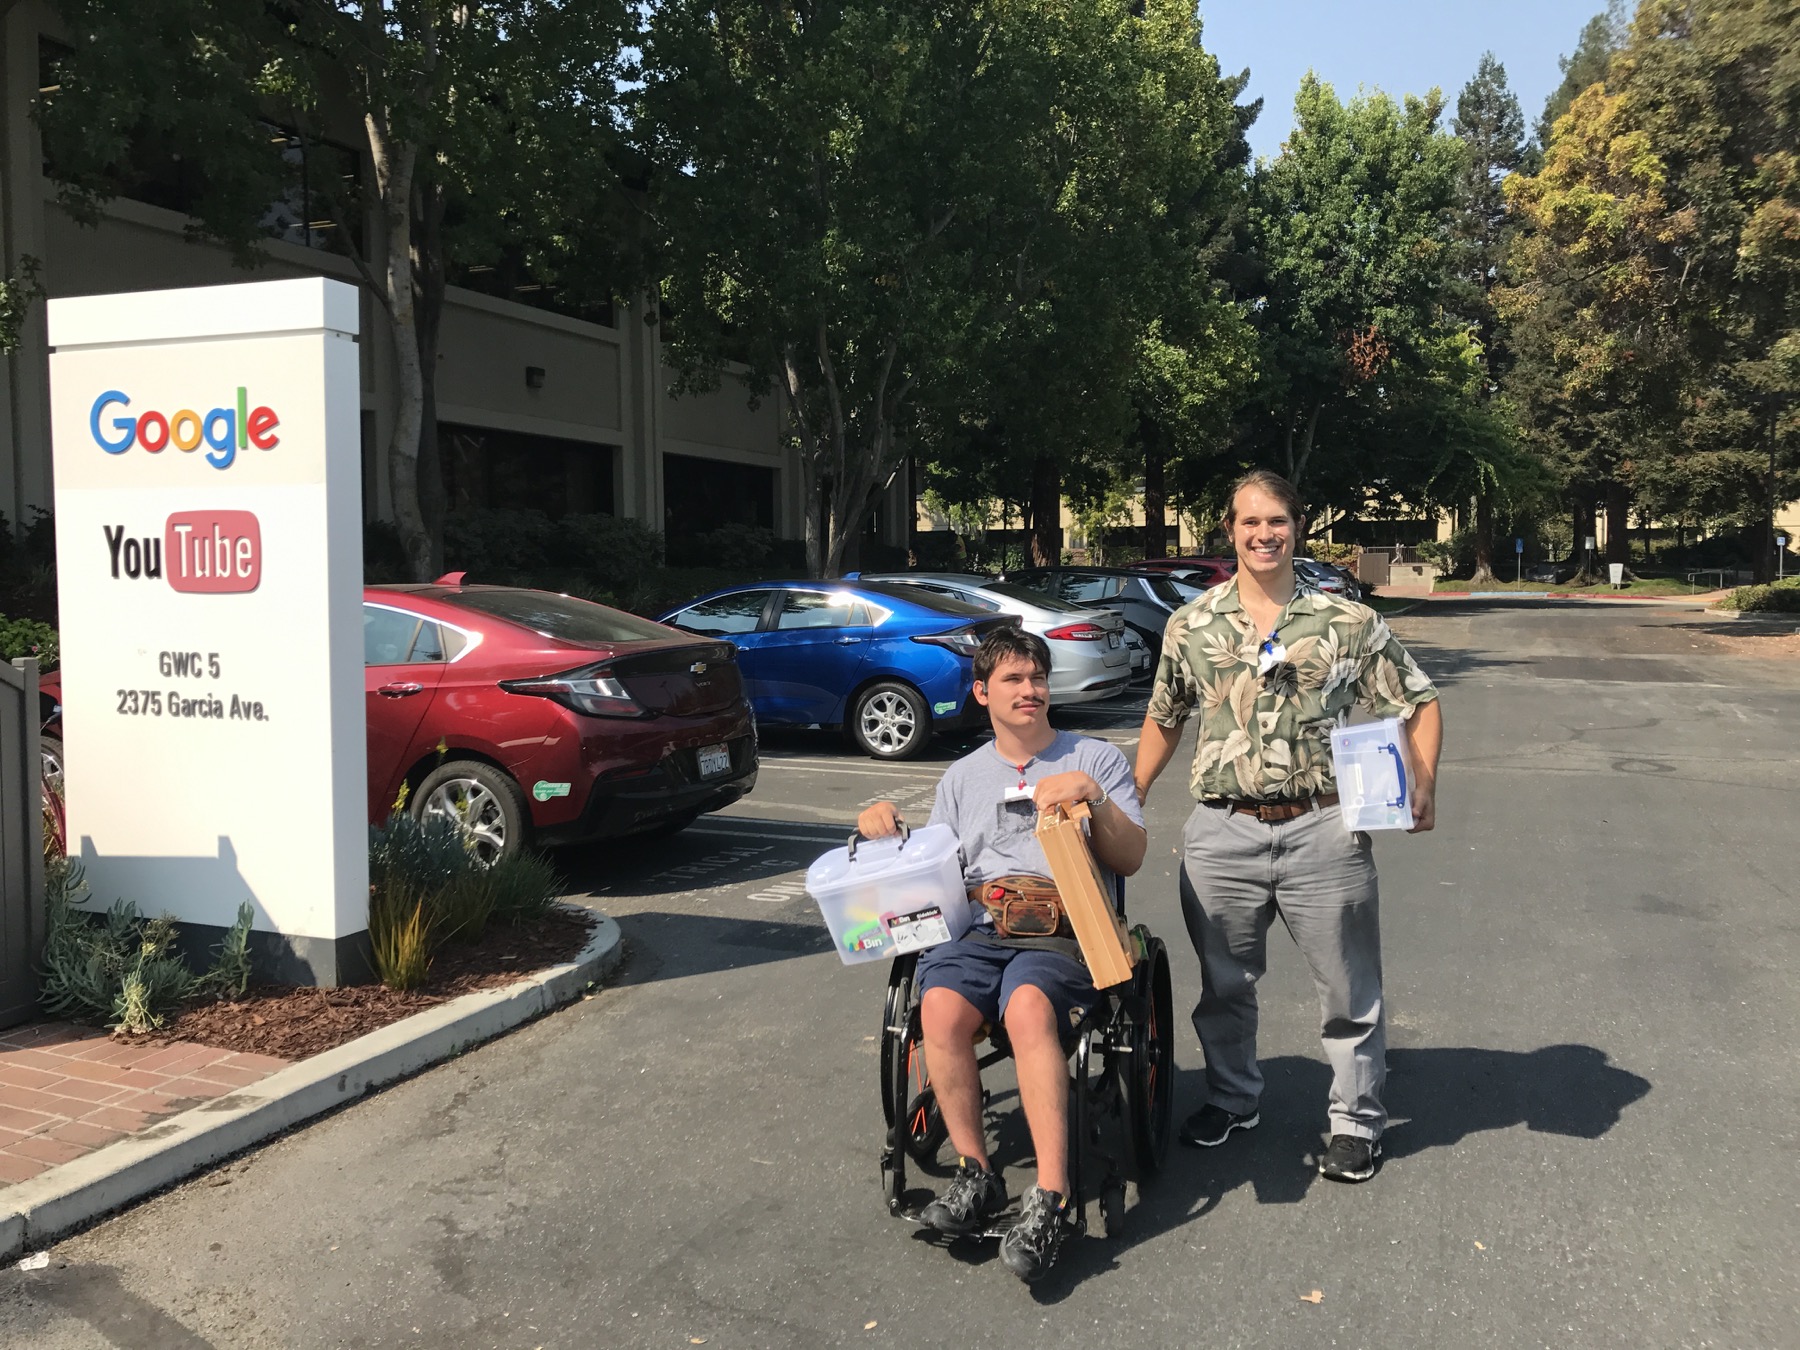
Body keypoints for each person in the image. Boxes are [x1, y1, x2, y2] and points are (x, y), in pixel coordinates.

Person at [1133, 470, 1442, 1183]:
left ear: (1296, 526)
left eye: (1276, 520)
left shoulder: (1345, 622)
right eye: (1249, 522)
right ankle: (1235, 1099)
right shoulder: (1193, 625)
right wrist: (1134, 790)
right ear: (1229, 528)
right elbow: (1163, 716)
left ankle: (1356, 1121)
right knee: (1224, 985)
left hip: (1324, 830)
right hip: (1222, 833)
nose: (1263, 534)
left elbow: (1419, 701)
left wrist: (1423, 778)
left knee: (1347, 988)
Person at [858, 628, 1146, 1281]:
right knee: (939, 1008)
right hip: (983, 928)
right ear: (983, 692)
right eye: (1013, 679)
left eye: (1037, 677)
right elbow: (932, 872)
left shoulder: (1094, 759)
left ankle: (1049, 1196)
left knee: (1026, 1005)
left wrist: (1091, 797)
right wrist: (884, 831)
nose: (1030, 690)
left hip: (1066, 927)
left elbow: (1129, 858)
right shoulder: (963, 778)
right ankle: (976, 1172)